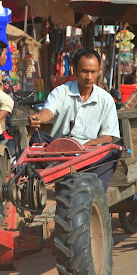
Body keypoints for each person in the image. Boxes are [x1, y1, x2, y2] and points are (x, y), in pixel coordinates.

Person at [29, 49, 120, 191]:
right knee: (37, 138)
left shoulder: (106, 100)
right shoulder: (61, 91)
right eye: (84, 71)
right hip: (60, 154)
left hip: (90, 156)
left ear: (99, 71)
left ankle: (94, 193)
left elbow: (109, 136)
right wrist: (38, 118)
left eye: (93, 72)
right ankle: (59, 172)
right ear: (75, 70)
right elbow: (48, 111)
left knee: (112, 153)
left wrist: (93, 143)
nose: (89, 77)